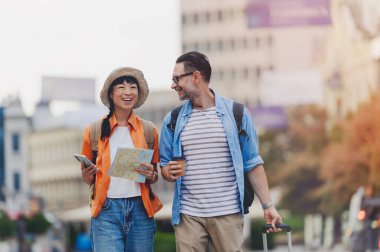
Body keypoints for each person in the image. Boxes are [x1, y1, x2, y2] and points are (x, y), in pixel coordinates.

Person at [159, 51, 283, 251]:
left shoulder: (237, 114)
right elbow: (164, 164)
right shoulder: (172, 121)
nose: (173, 85)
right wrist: (167, 172)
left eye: (177, 78)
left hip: (228, 213)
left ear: (196, 77)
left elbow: (252, 163)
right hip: (188, 215)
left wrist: (268, 205)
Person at [80, 67, 159, 252]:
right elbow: (88, 179)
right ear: (111, 93)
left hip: (140, 209)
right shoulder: (94, 131)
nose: (128, 92)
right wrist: (87, 174)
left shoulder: (149, 130)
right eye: (121, 87)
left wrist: (151, 174)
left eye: (132, 87)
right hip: (106, 210)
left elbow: (154, 176)